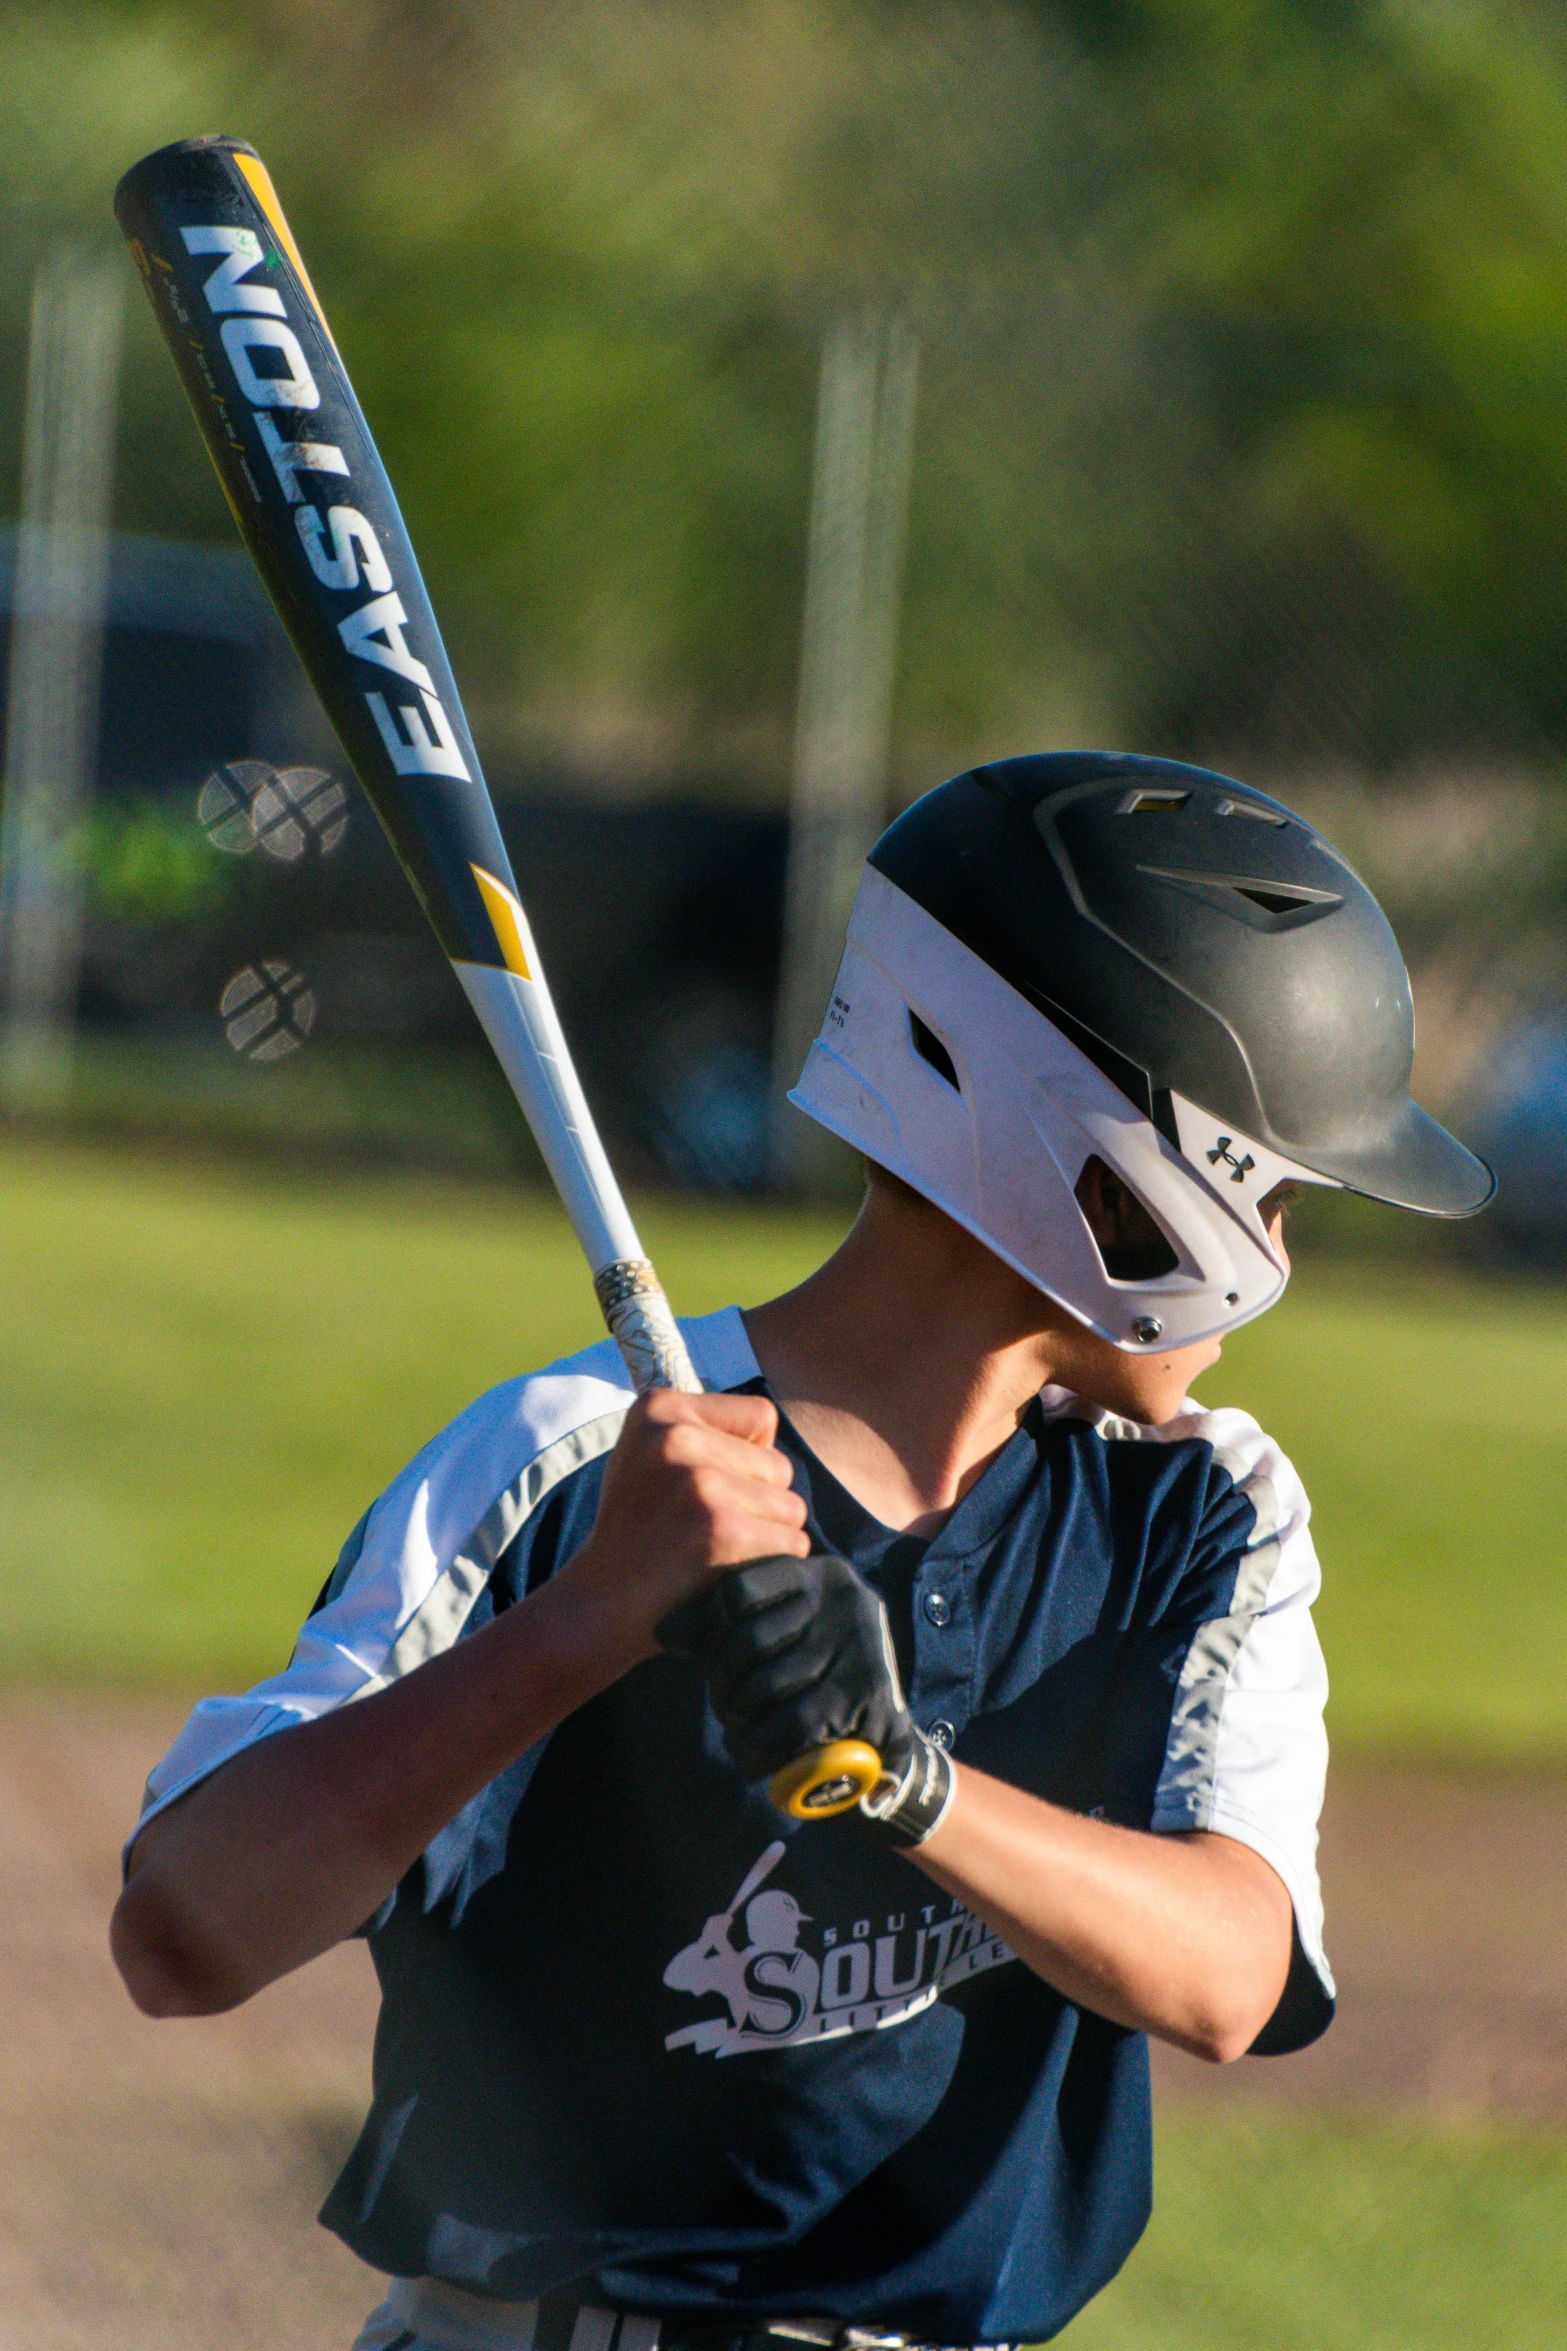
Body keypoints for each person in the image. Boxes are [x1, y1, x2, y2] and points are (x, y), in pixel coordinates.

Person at [111, 752, 1493, 2351]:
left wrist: (906, 1782)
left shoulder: (1199, 1510)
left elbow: (1224, 1972)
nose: (1278, 1259)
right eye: (1271, 1196)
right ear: (1119, 1177)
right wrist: (586, 1621)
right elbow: (184, 1932)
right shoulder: (580, 1458)